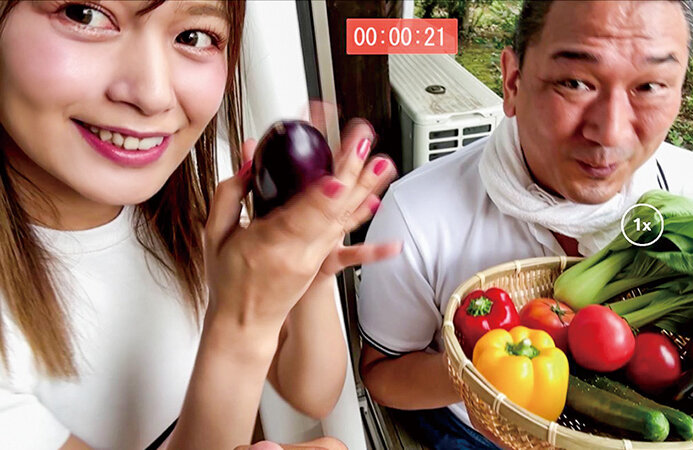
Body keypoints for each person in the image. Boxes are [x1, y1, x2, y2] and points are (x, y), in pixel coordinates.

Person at [0, 1, 398, 449]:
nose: (152, 94)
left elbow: (312, 394)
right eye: (83, 14)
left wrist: (309, 275)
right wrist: (240, 330)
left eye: (193, 37)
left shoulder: (207, 186)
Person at [358, 0, 693, 448]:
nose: (610, 133)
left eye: (650, 86)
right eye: (575, 83)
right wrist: (485, 377)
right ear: (512, 82)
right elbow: (382, 373)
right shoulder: (415, 215)